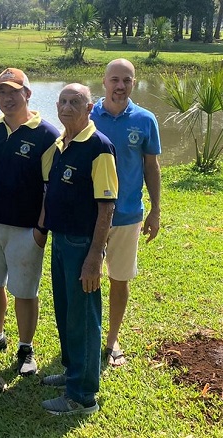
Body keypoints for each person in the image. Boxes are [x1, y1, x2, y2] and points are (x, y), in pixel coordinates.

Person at [0, 68, 59, 374]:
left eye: (13, 91)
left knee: (25, 291)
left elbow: (49, 189)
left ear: (27, 94)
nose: (7, 98)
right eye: (1, 92)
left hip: (25, 229)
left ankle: (26, 348)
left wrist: (41, 230)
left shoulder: (47, 134)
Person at [41, 83, 118, 415]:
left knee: (84, 318)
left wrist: (93, 258)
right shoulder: (62, 143)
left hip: (81, 244)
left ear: (90, 108)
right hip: (61, 239)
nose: (67, 107)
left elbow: (107, 208)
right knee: (66, 312)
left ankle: (82, 396)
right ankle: (73, 372)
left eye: (75, 102)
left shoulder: (99, 147)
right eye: (63, 101)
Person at [91, 58, 162, 367]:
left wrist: (156, 210)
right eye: (115, 80)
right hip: (88, 217)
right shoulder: (88, 113)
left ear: (134, 83)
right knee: (87, 277)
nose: (120, 86)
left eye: (127, 80)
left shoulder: (146, 120)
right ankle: (89, 336)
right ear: (104, 82)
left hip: (127, 214)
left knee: (119, 279)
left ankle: (111, 339)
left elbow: (151, 166)